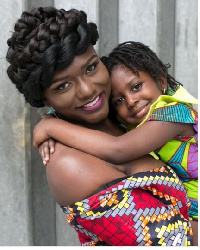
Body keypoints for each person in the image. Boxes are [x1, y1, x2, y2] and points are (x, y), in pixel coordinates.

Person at [6, 6, 196, 246]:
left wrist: (50, 126)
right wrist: (50, 128)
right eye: (63, 86)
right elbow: (178, 243)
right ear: (44, 99)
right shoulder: (69, 166)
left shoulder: (121, 110)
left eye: (91, 67)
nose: (88, 91)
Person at [33, 41, 198, 222]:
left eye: (136, 87)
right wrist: (51, 118)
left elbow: (118, 149)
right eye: (118, 100)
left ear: (160, 81)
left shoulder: (174, 113)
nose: (131, 101)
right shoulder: (135, 118)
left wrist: (51, 127)